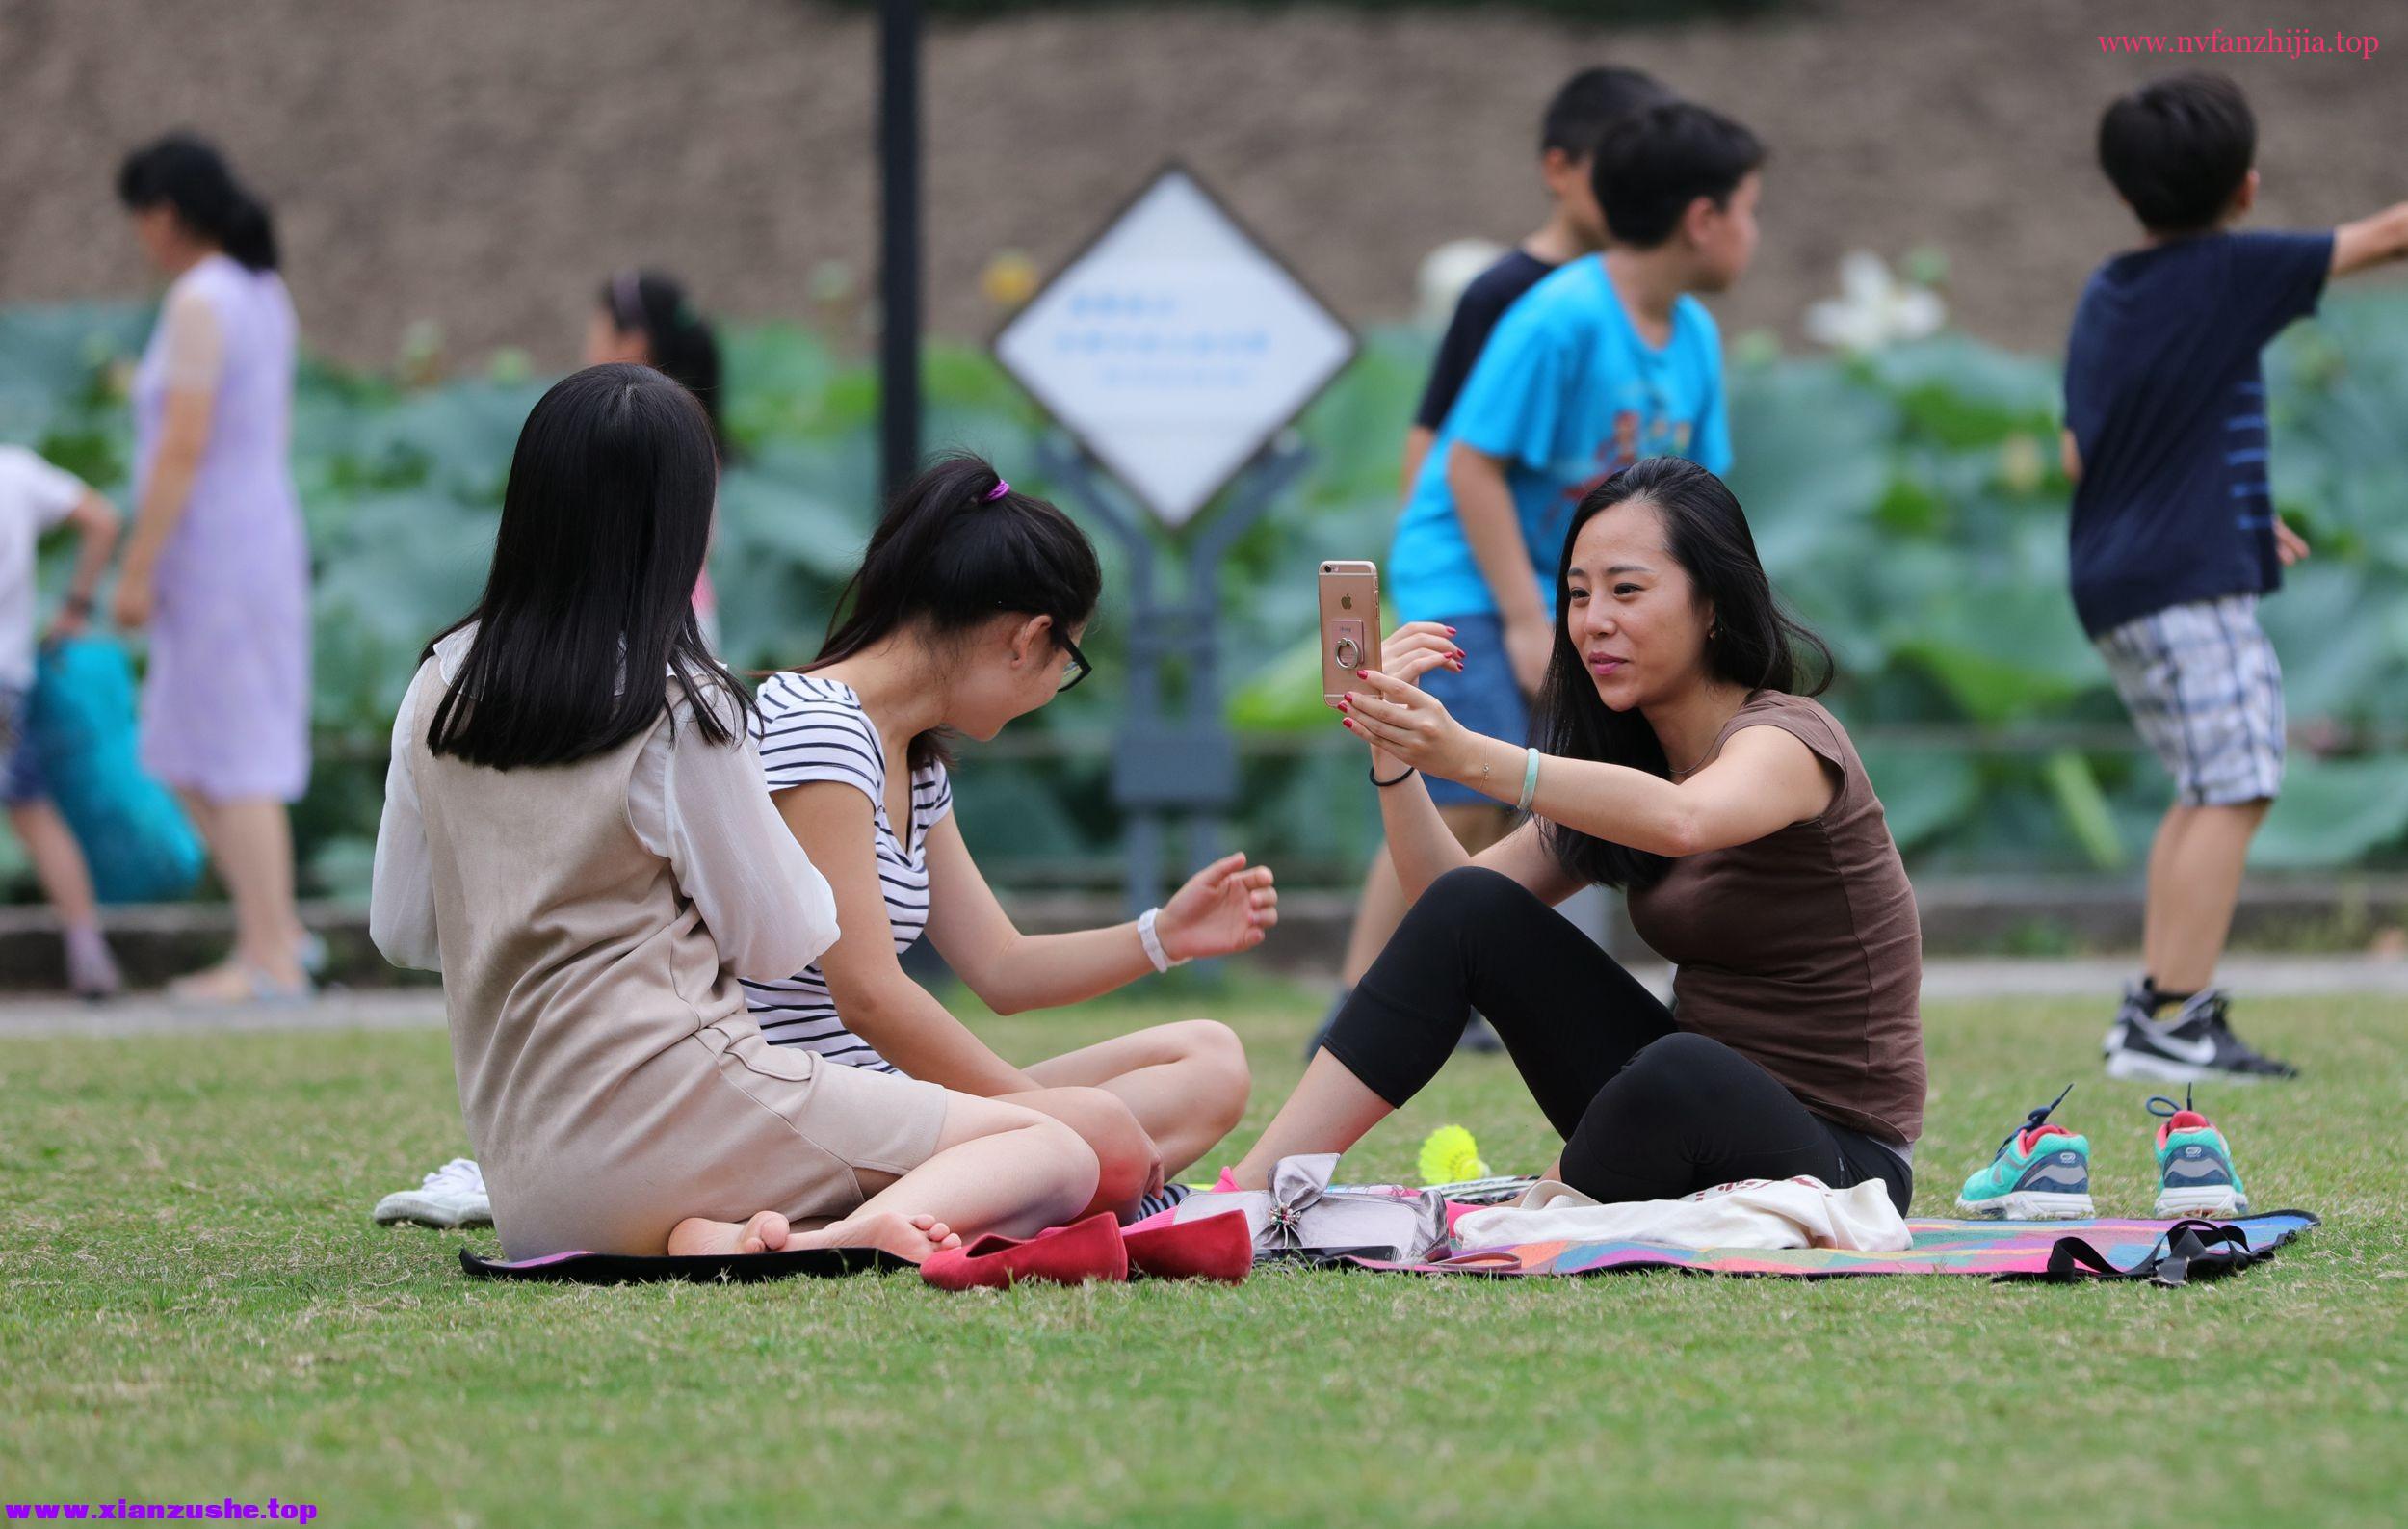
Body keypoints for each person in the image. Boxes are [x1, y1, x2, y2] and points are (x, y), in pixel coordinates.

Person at [370, 365, 1102, 1260]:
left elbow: (402, 929)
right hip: (702, 1109)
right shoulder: (678, 707)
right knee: (1060, 1149)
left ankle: (722, 1236)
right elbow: (778, 938)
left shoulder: (437, 686)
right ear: (677, 527)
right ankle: (841, 1233)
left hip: (531, 1186)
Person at [1234, 458, 1924, 1214]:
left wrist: (1469, 755)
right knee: (1482, 912)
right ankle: (1256, 1190)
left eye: (1627, 591)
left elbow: (1684, 817)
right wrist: (1395, 759)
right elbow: (1449, 915)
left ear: (1713, 605)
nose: (1594, 620)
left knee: (1683, 1067)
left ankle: (1553, 1200)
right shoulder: (1628, 764)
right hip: (1672, 1115)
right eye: (1577, 594)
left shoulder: (1790, 740)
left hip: (1836, 1156)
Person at [1316, 97, 1762, 1058]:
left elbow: (1699, 493)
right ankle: (1359, 1002)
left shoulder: (1693, 337)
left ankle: (1472, 987)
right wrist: (1525, 618)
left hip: (1579, 590)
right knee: (1459, 789)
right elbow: (1467, 465)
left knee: (1539, 791)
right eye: (1749, 209)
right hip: (1474, 577)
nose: (1752, 234)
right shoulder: (1558, 316)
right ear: (1701, 218)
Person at [745, 452, 1269, 1221]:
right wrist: (1041, 1113)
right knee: (1085, 1142)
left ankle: (1007, 1184)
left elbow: (1001, 965)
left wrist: (1163, 935)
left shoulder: (911, 756)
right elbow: (869, 996)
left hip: (889, 1100)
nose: (1059, 686)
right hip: (805, 1113)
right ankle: (934, 1205)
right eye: (1072, 659)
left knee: (1209, 1059)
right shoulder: (819, 725)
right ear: (1028, 638)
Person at [2065, 72, 2408, 1083]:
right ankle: (2176, 1018)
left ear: (2125, 193)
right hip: (2182, 582)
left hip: (2115, 578)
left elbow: (2087, 450)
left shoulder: (2107, 291)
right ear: (2245, 189)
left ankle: (2156, 1012)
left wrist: (2236, 507)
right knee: (2242, 779)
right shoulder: (2225, 271)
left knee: (2205, 785)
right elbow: (2388, 235)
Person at [111, 133, 314, 1002]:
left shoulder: (201, 299)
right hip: (255, 533)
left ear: (163, 216)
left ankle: (268, 954)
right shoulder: (263, 294)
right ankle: (275, 936)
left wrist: (136, 565)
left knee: (234, 750)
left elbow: (184, 444)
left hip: (215, 549)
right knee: (197, 745)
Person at [0, 445, 125, 997]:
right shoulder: (16, 471)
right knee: (32, 812)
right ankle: (88, 952)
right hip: (8, 679)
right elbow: (102, 518)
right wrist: (76, 606)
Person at [584, 269, 723, 646]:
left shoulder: (620, 432)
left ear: (632, 342)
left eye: (596, 330)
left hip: (638, 629)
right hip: (693, 618)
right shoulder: (691, 425)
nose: (587, 345)